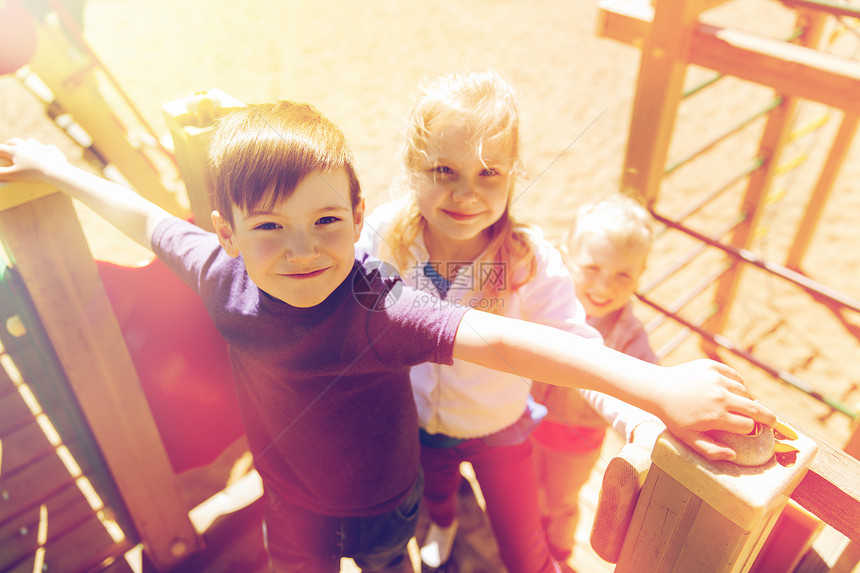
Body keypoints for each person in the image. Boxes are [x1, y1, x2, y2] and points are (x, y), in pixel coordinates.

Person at [0, 102, 774, 573]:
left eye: (326, 222)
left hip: (383, 501)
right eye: (270, 229)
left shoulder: (378, 307)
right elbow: (146, 219)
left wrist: (656, 386)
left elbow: (505, 341)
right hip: (289, 500)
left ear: (357, 210)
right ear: (226, 235)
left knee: (385, 562)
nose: (303, 250)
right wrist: (58, 169)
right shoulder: (215, 272)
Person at [355, 70, 720, 572]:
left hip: (498, 427)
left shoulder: (529, 262)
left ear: (513, 174)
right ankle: (444, 523)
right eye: (444, 170)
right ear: (412, 166)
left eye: (489, 174)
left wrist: (636, 414)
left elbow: (577, 345)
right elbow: (346, 310)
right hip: (416, 422)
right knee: (437, 490)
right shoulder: (383, 236)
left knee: (524, 546)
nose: (466, 194)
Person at [530, 192, 660, 563]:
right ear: (566, 257)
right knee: (524, 489)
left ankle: (558, 549)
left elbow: (650, 378)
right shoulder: (548, 304)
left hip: (576, 441)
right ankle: (526, 537)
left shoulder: (628, 334)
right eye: (592, 268)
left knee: (561, 501)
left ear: (639, 275)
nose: (604, 287)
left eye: (624, 274)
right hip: (524, 421)